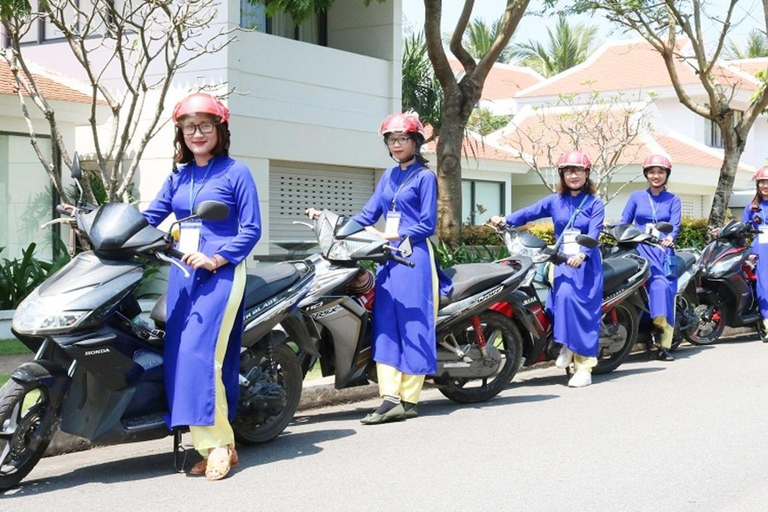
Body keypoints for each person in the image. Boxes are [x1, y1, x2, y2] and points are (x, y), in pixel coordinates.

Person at [142, 92, 261, 480]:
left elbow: (251, 228)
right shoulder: (179, 175)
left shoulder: (236, 172)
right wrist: (102, 223)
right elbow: (151, 217)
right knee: (179, 356)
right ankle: (212, 444)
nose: (197, 133)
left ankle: (219, 446)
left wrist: (217, 258)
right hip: (182, 272)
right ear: (181, 132)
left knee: (200, 355)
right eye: (189, 127)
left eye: (205, 126)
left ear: (220, 130)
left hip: (220, 271)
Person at [307, 111, 450, 423]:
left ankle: (409, 399)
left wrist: (395, 234)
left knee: (413, 324)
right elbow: (368, 214)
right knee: (385, 324)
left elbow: (426, 223)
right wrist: (335, 225)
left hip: (414, 257)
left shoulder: (425, 178)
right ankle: (389, 397)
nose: (397, 144)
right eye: (392, 140)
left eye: (403, 139)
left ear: (416, 142)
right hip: (386, 256)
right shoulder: (388, 176)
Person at [490, 150, 604, 387]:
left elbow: (594, 231)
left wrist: (583, 254)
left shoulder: (595, 203)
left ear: (587, 174)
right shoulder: (555, 201)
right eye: (568, 171)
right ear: (562, 175)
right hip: (562, 260)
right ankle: (565, 345)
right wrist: (505, 220)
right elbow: (529, 213)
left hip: (586, 263)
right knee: (559, 299)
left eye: (578, 171)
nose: (574, 176)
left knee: (583, 311)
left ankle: (584, 368)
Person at [620, 154, 681, 361]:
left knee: (661, 286)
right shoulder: (637, 196)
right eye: (652, 172)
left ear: (666, 175)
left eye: (660, 172)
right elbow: (624, 222)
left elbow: (675, 225)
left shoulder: (674, 199)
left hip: (662, 252)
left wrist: (670, 238)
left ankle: (663, 340)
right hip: (639, 250)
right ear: (646, 174)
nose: (656, 176)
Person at [742, 166, 768, 341]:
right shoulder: (751, 207)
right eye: (762, 182)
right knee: (763, 286)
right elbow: (743, 229)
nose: (765, 185)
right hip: (760, 249)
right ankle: (766, 323)